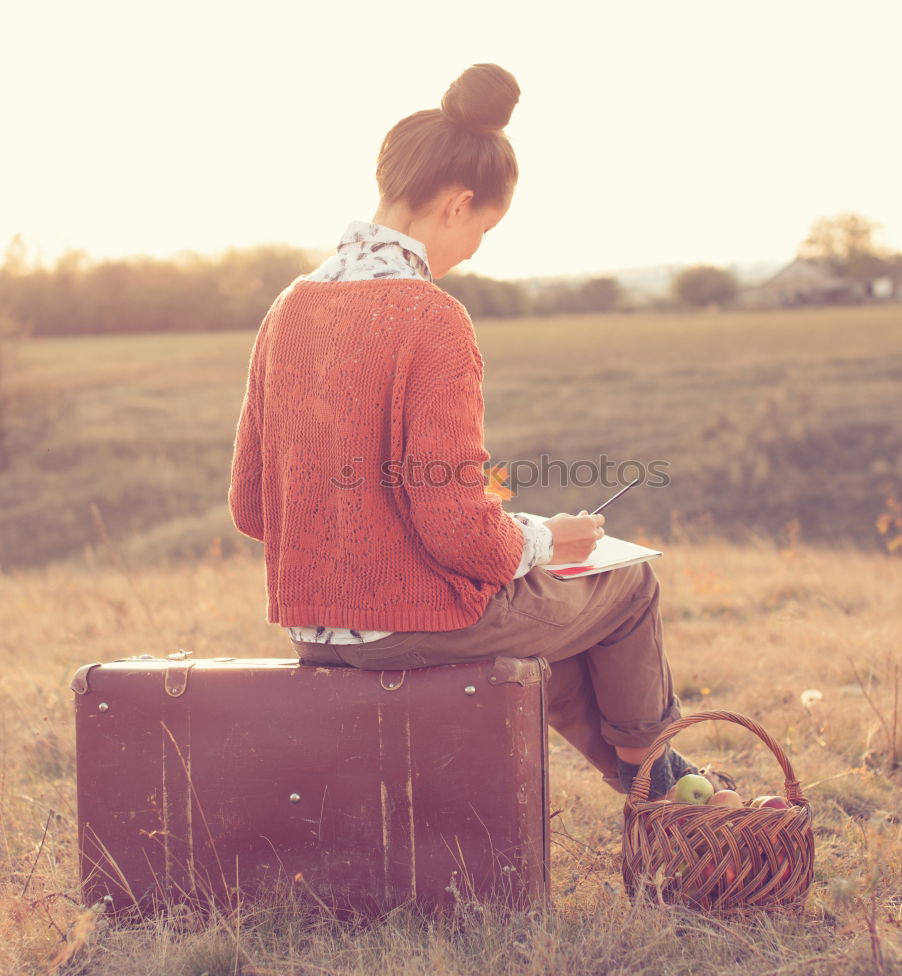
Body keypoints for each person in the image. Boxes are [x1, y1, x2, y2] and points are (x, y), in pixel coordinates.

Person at [228, 63, 703, 799]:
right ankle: (667, 792)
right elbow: (456, 531)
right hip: (410, 628)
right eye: (485, 227)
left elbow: (252, 508)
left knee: (568, 646)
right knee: (628, 581)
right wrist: (551, 539)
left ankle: (665, 788)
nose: (478, 247)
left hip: (311, 629)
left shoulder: (290, 306)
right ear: (457, 204)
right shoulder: (431, 317)